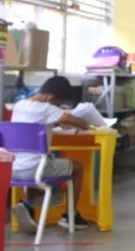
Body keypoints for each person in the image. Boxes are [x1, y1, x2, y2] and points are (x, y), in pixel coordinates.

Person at [8, 76, 98, 233]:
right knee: (77, 168)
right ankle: (70, 215)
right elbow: (79, 122)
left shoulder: (20, 105)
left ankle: (27, 206)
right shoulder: (48, 109)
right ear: (51, 98)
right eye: (59, 103)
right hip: (36, 170)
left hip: (14, 169)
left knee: (37, 160)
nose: (60, 107)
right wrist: (86, 123)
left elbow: (50, 120)